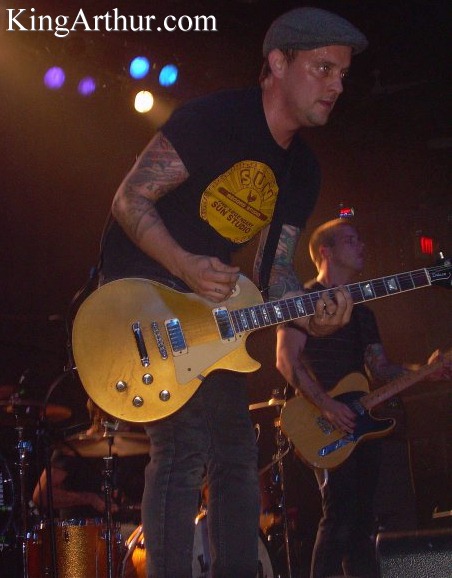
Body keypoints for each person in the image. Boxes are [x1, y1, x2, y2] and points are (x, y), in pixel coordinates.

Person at [99, 8, 368, 577]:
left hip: (211, 312)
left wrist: (313, 318)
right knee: (183, 447)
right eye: (323, 68)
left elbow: (276, 271)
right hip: (143, 296)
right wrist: (184, 263)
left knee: (237, 454)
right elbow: (129, 199)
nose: (337, 85)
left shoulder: (302, 170)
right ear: (278, 63)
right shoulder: (213, 120)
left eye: (343, 74)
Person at [276, 218, 451, 578]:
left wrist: (424, 370)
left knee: (361, 524)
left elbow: (380, 368)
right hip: (322, 421)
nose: (362, 245)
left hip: (361, 422)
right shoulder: (302, 301)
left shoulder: (364, 311)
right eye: (350, 239)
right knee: (338, 517)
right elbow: (285, 360)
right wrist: (327, 405)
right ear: (325, 251)